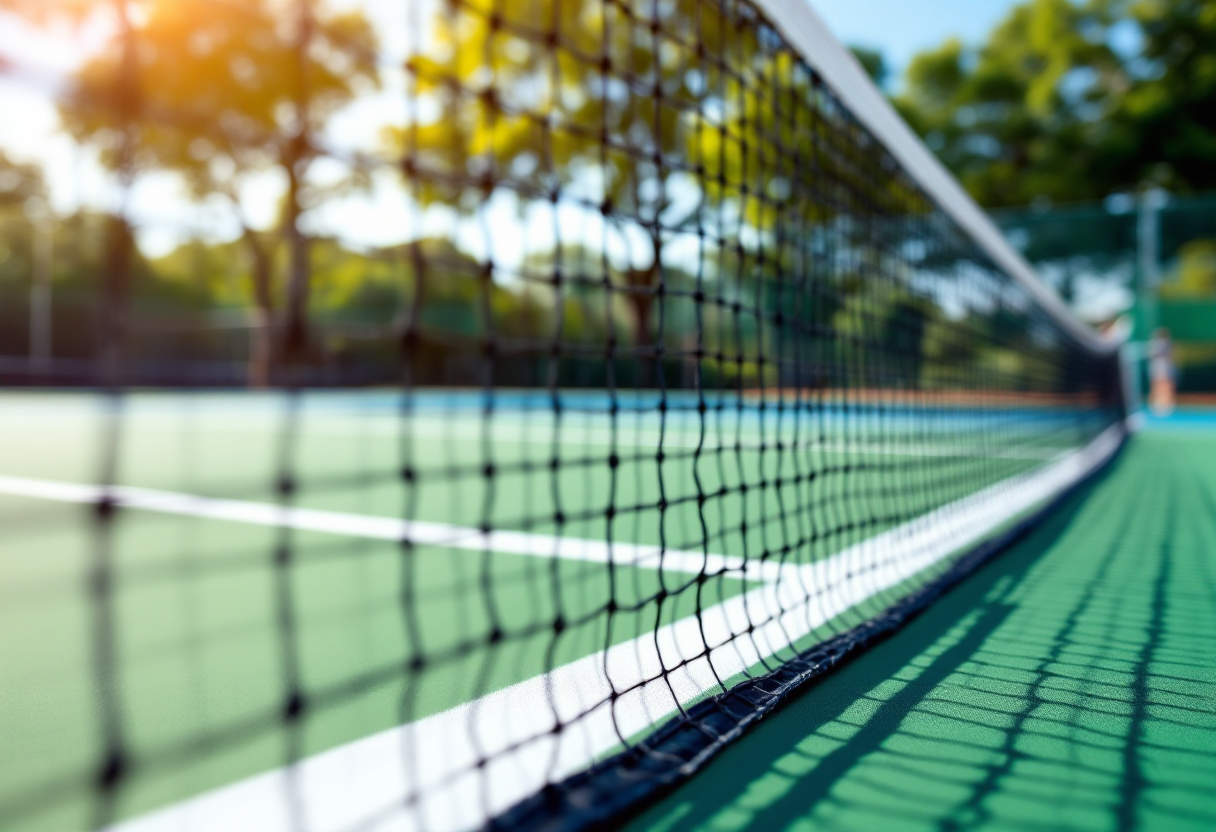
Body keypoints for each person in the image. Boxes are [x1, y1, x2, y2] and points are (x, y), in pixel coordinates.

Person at [1149, 328, 1176, 416]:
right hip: (1157, 369)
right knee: (1157, 387)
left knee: (1166, 387)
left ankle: (1167, 405)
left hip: (1165, 370)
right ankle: (1156, 405)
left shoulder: (1168, 345)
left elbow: (1171, 356)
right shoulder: (1154, 345)